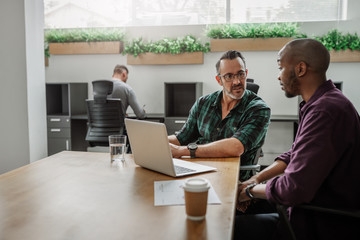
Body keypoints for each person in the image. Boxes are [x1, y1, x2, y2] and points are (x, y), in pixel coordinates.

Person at [234, 39, 360, 240]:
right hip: (308, 205)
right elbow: (294, 154)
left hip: (317, 222)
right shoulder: (321, 103)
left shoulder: (325, 111)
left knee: (226, 229)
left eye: (281, 67)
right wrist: (256, 179)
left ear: (300, 69)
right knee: (236, 209)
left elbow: (293, 189)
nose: (278, 76)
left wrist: (248, 191)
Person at [168, 50, 271, 182]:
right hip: (198, 174)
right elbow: (182, 137)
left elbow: (235, 147)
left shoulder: (258, 109)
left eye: (240, 74)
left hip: (234, 180)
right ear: (219, 80)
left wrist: (182, 151)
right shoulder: (203, 103)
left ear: (246, 74)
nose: (236, 81)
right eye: (229, 76)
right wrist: (155, 143)